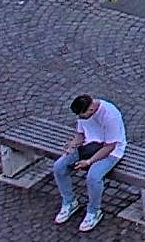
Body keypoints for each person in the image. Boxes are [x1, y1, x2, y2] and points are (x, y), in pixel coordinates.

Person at [53, 94, 126, 232]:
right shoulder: (83, 113)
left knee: (93, 177)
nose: (81, 118)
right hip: (89, 145)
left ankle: (94, 211)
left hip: (111, 152)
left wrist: (89, 162)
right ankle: (69, 201)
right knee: (59, 167)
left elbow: (110, 146)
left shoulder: (111, 116)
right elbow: (81, 135)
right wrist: (72, 145)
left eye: (83, 115)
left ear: (91, 109)